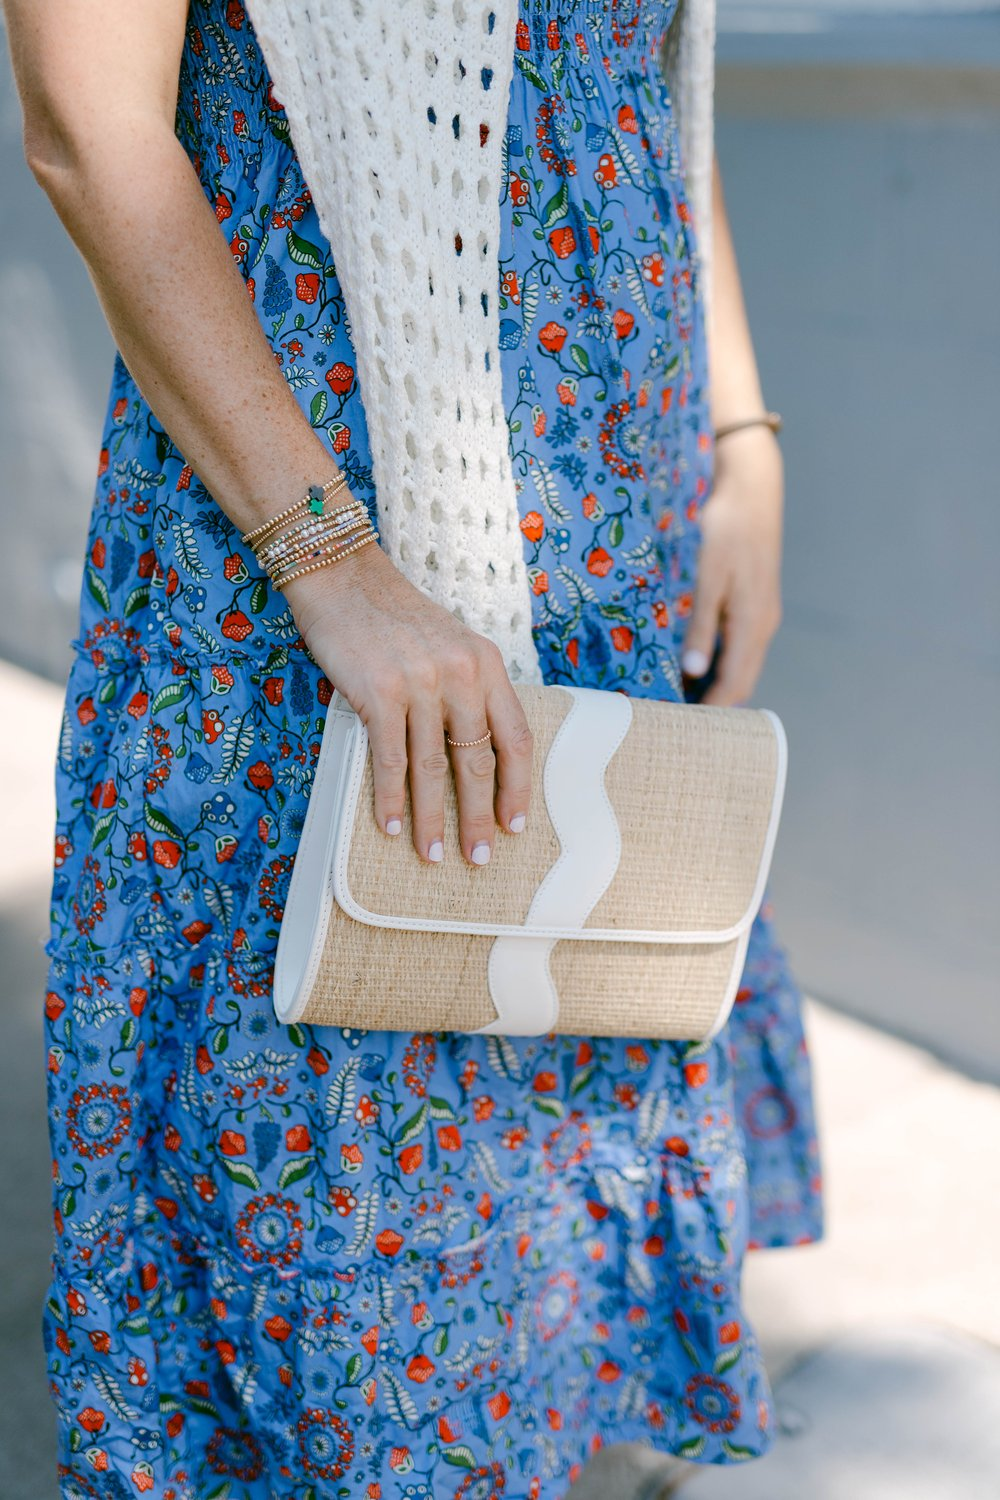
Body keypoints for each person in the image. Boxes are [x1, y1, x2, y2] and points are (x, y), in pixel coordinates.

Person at [6, 0, 823, 1495]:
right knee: (334, 1191)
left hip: (616, 523)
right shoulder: (331, 570)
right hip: (318, 543)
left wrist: (741, 434)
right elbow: (89, 131)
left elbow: (636, 77)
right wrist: (339, 569)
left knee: (544, 1135)